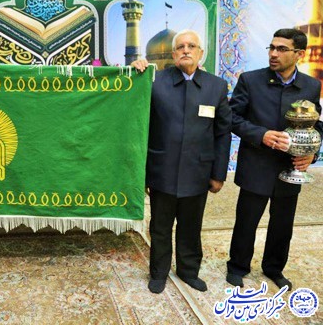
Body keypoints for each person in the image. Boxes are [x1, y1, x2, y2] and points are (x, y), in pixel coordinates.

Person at [132, 29, 232, 294]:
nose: (186, 50)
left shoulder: (216, 86)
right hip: (162, 170)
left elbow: (222, 133)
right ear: (173, 54)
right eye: (180, 47)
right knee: (160, 227)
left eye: (191, 46)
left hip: (198, 171)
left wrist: (218, 174)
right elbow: (135, 117)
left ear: (201, 53)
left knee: (191, 227)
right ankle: (158, 273)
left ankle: (189, 271)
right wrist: (135, 71)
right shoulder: (154, 80)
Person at [226, 28, 323, 291]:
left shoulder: (311, 86)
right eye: (271, 47)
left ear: (299, 54)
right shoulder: (250, 80)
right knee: (246, 221)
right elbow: (232, 117)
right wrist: (262, 135)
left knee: (282, 225)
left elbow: (316, 125)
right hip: (256, 165)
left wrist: (311, 154)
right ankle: (237, 267)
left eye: (281, 49)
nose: (273, 54)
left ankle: (274, 268)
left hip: (290, 168)